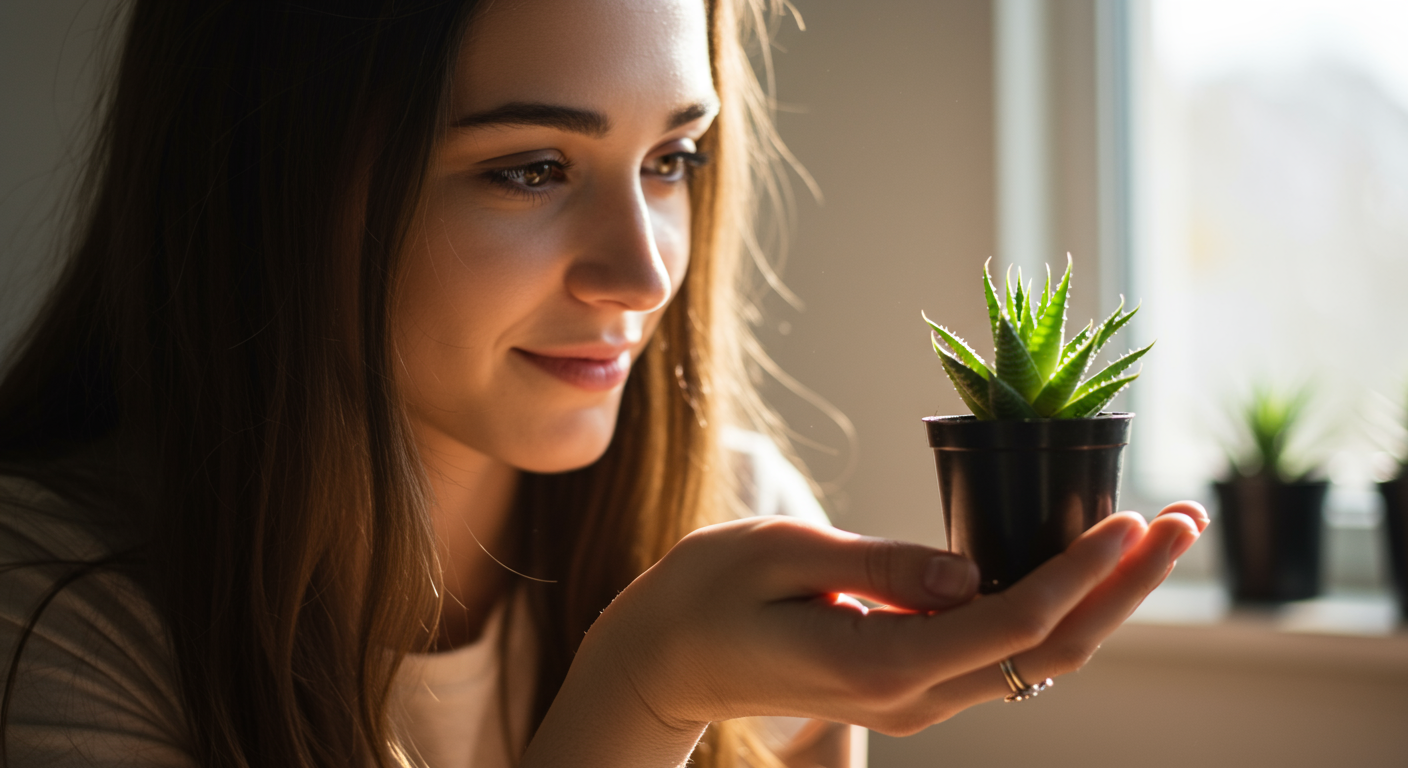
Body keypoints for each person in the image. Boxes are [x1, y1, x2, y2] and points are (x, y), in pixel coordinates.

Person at [0, 0, 1207, 766]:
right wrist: (641, 698)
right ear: (270, 179)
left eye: (673, 157)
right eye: (528, 169)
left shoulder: (731, 513)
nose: (641, 273)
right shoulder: (52, 618)